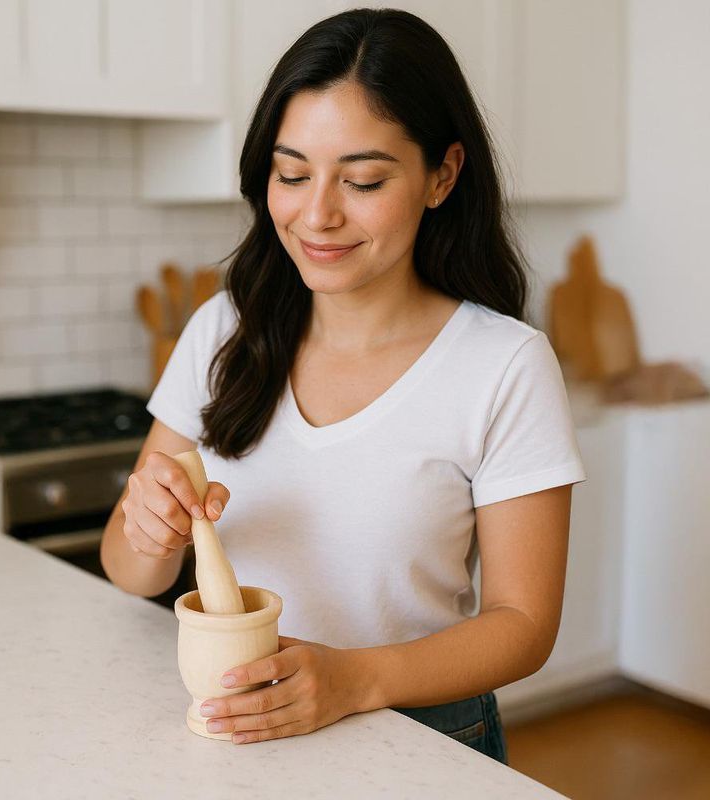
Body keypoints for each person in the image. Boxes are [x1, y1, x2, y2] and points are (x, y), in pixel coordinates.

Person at [100, 8, 587, 762]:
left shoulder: (504, 365)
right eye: (292, 174)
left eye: (362, 179)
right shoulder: (223, 328)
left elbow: (524, 623)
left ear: (443, 175)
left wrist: (353, 680)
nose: (317, 214)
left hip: (426, 739)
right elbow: (129, 570)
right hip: (243, 734)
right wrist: (147, 528)